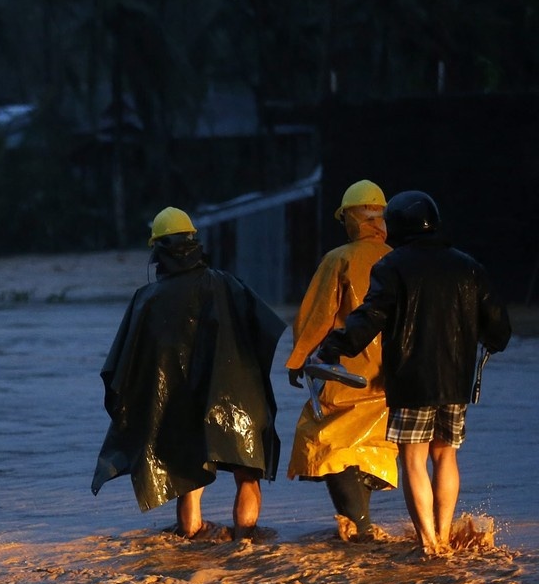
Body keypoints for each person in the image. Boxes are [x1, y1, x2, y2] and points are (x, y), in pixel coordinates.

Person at [318, 190, 511, 556]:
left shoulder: (391, 267)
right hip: (455, 381)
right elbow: (498, 326)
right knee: (446, 457)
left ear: (398, 226)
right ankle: (445, 536)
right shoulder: (468, 266)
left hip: (411, 381)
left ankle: (429, 543)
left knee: (413, 461)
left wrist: (333, 346)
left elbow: (370, 317)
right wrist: (491, 341)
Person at [92, 207, 286, 541]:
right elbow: (265, 331)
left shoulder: (146, 299)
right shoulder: (226, 284)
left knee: (189, 475)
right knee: (247, 474)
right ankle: (245, 543)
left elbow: (124, 367)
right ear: (194, 242)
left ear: (157, 252)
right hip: (235, 402)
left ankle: (192, 537)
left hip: (177, 404)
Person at [285, 180, 398, 540]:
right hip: (392, 377)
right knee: (367, 450)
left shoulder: (339, 259)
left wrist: (298, 358)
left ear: (350, 218)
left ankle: (359, 530)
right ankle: (361, 526)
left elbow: (318, 315)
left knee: (325, 442)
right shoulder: (398, 258)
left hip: (347, 372)